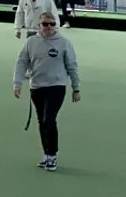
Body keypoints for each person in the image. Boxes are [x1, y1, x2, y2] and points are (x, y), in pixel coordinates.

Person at [14, 12, 80, 171]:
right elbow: (22, 62)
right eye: (45, 24)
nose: (49, 27)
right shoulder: (31, 42)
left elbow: (72, 66)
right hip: (37, 87)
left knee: (49, 119)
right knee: (41, 121)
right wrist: (17, 83)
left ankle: (52, 155)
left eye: (52, 24)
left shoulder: (64, 43)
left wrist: (76, 88)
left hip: (57, 86)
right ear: (39, 25)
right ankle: (46, 154)